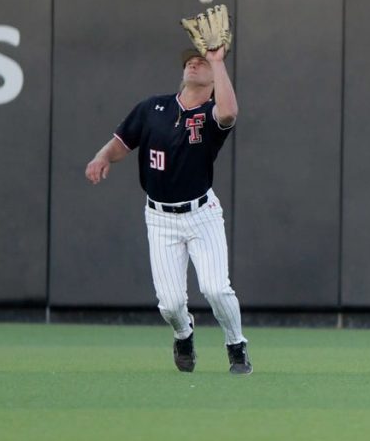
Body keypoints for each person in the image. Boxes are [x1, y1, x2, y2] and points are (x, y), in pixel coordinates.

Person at [85, 45, 251, 375]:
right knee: (171, 304)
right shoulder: (153, 108)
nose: (193, 63)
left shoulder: (210, 114)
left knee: (216, 289)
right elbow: (122, 141)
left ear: (213, 78)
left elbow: (230, 113)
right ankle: (183, 334)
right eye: (190, 60)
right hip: (160, 218)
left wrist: (217, 61)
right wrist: (103, 156)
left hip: (202, 214)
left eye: (201, 61)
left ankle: (236, 346)